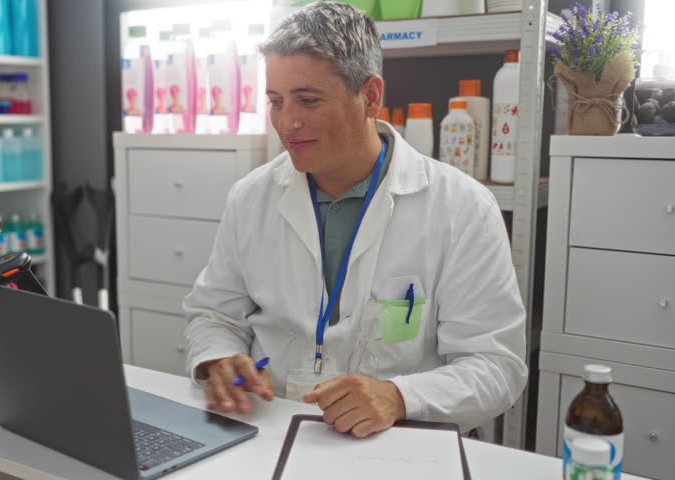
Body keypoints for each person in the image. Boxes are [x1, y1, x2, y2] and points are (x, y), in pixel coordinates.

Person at [183, 2, 527, 438]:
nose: (287, 122)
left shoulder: (462, 208)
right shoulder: (251, 197)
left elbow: (498, 366)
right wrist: (217, 360)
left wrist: (400, 397)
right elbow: (213, 316)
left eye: (308, 100)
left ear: (370, 96)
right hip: (270, 432)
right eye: (276, 101)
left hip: (399, 444)